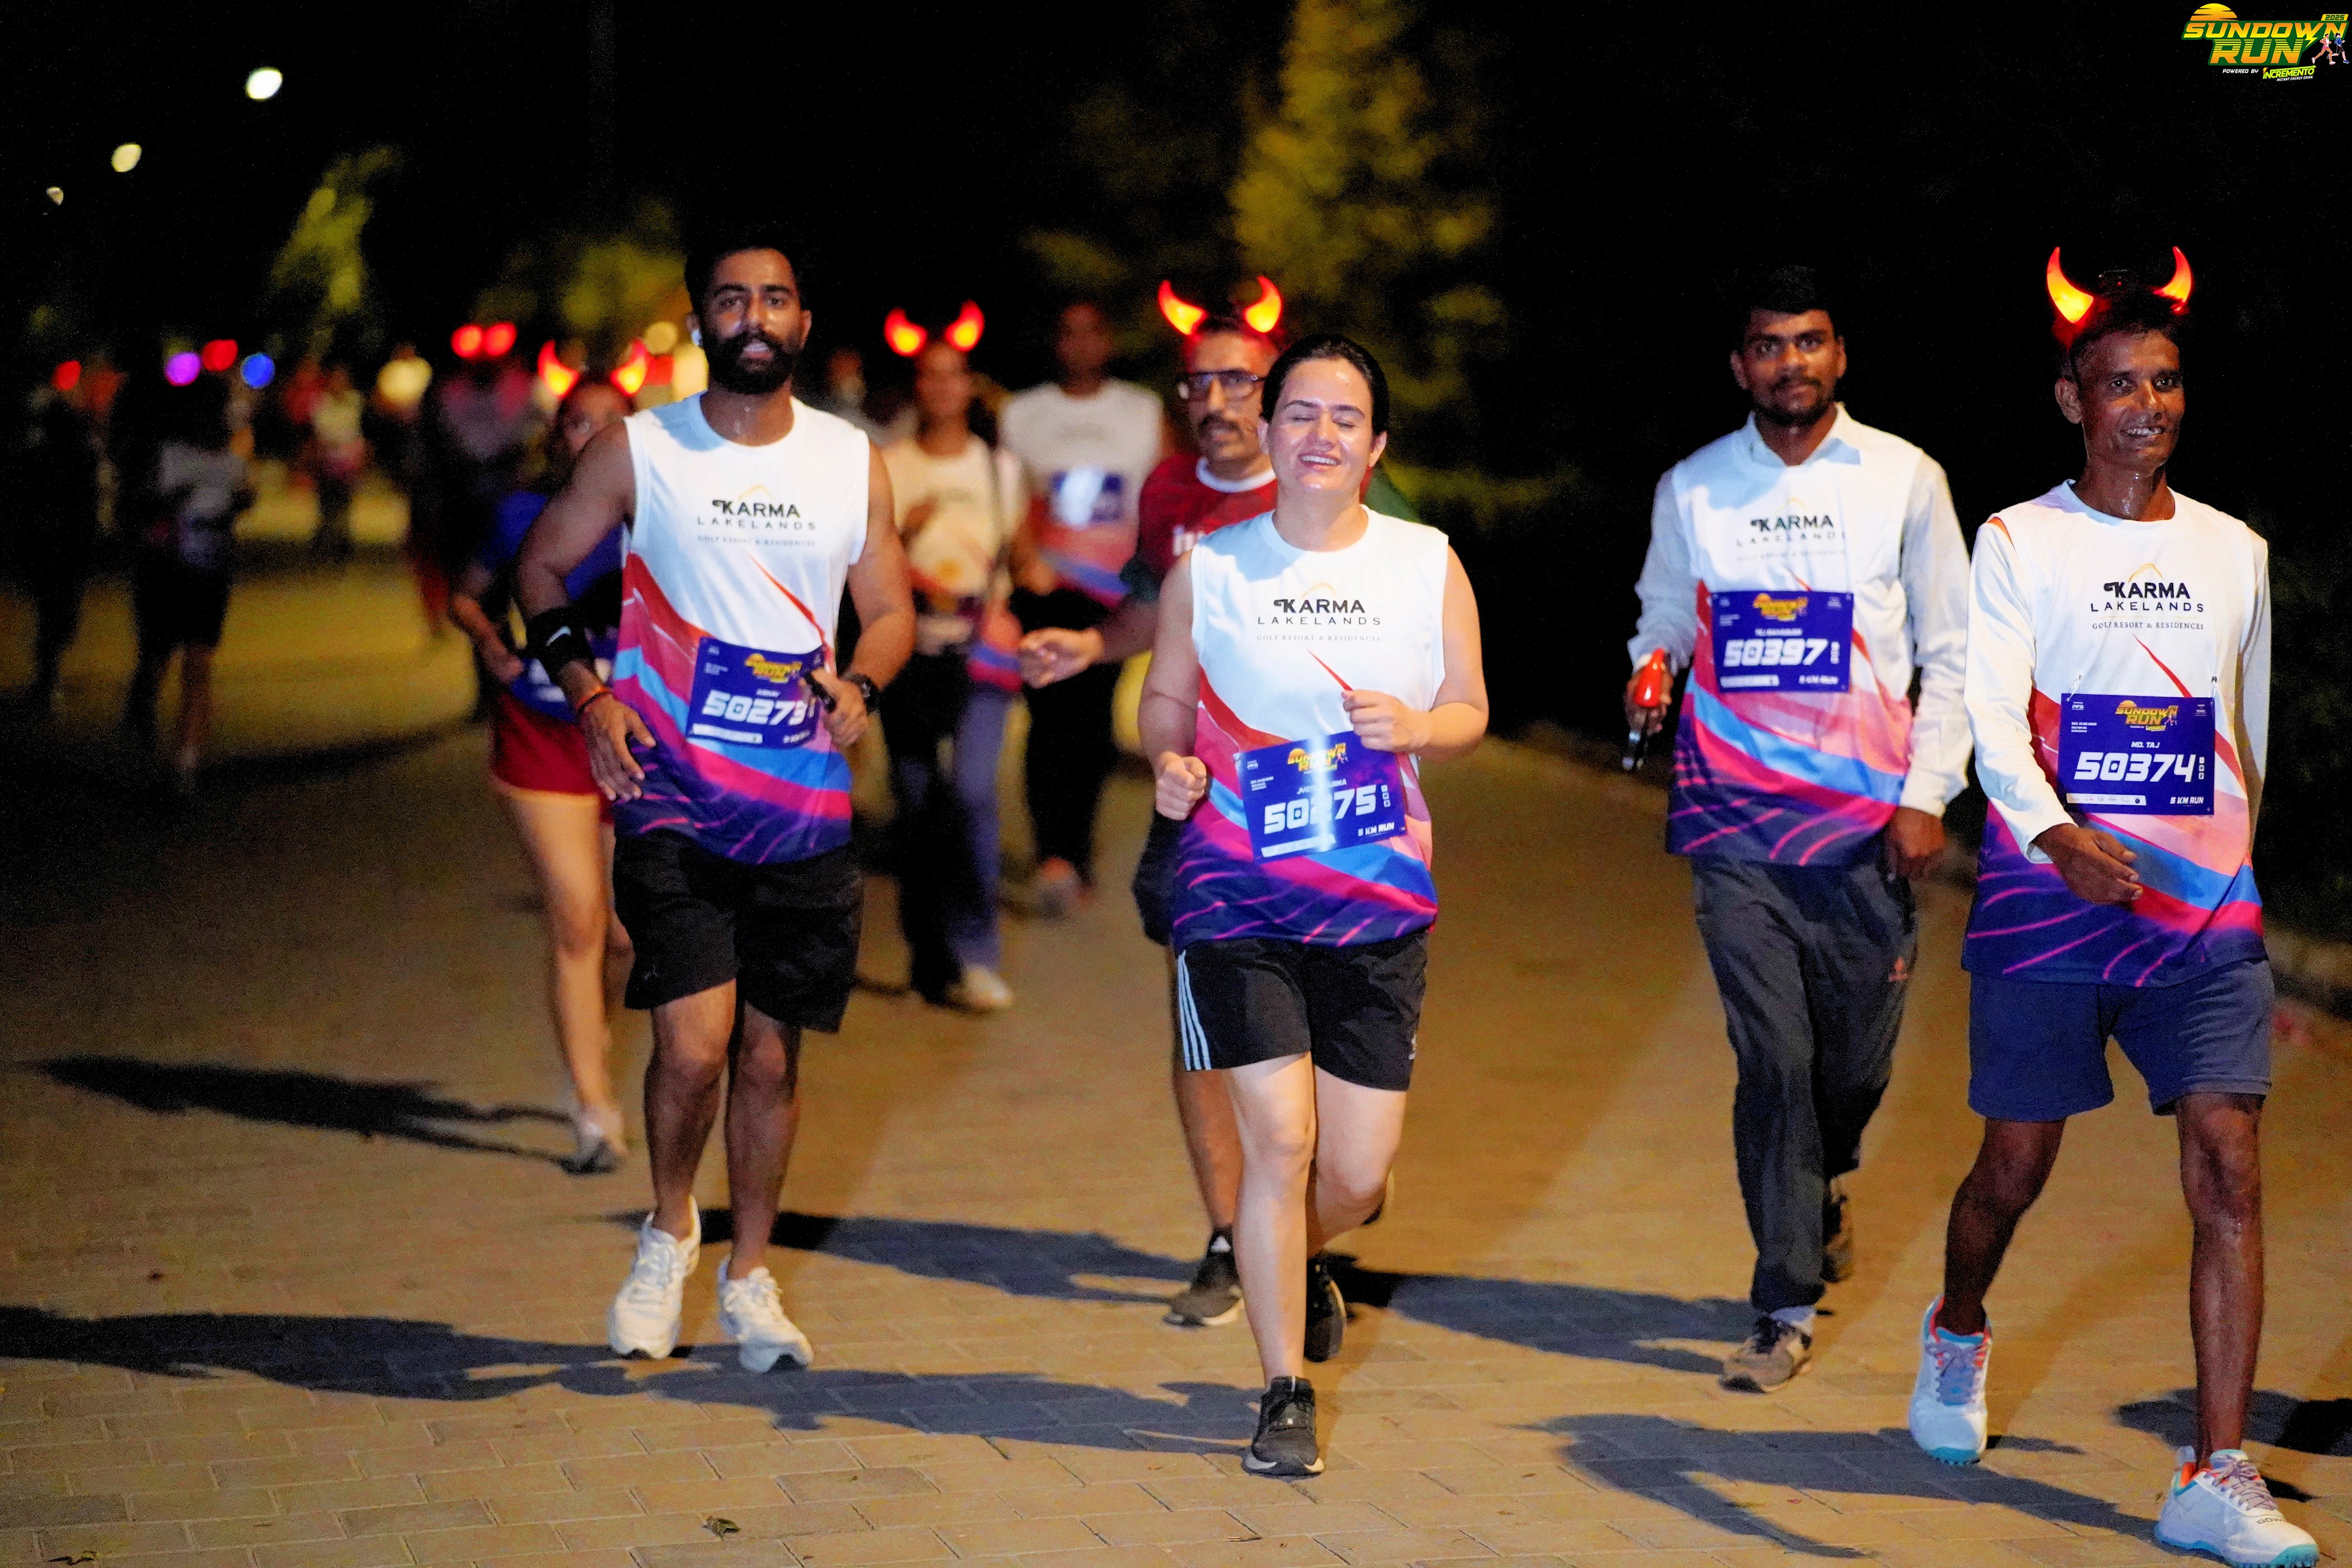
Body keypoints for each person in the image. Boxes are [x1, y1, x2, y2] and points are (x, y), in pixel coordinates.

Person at [1907, 253, 2316, 1568]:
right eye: (2122, 384)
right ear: (2071, 400)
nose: (2150, 405)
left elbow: (2246, 730)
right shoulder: (2020, 541)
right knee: (2014, 1167)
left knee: (2228, 1161)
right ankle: (1958, 1326)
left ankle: (2215, 1471)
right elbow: (1992, 714)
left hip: (2201, 912)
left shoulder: (2234, 551)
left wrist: (2235, 874)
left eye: (2167, 382)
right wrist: (2053, 835)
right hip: (2051, 901)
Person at [516, 220, 914, 1374]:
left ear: (803, 321)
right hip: (673, 791)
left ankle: (749, 1277)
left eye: (774, 299)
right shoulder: (643, 450)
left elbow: (891, 609)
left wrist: (863, 685)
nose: (754, 317)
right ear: (702, 321)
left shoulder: (848, 460)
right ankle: (667, 1234)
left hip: (801, 805)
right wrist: (591, 695)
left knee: (773, 1059)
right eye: (732, 299)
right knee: (692, 1047)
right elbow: (540, 568)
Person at [1141, 334, 1486, 1477]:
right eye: (1300, 411)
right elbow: (1167, 696)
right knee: (1279, 1141)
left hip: (1377, 903)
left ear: (1376, 444)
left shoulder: (1425, 561)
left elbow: (1472, 704)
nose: (1320, 434)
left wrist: (1421, 725)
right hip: (1234, 892)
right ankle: (1284, 1387)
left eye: (1345, 417)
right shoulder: (1211, 568)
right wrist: (1169, 762)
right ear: (1268, 426)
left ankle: (1298, 1255)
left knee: (1355, 1175)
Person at [1626, 265, 1971, 1392]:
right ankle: (1781, 1301)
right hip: (1734, 820)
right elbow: (1667, 611)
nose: (1791, 362)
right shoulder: (1694, 487)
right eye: (1769, 345)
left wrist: (1928, 792)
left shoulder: (1906, 478)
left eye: (1809, 341)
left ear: (1839, 355)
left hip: (1867, 829)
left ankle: (1823, 1184)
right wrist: (1653, 662)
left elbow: (1953, 648)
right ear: (1742, 366)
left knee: (1853, 1067)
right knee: (1774, 1056)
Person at [1020, 310, 1282, 1327]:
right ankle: (1228, 1235)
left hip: (1308, 796)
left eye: (1237, 381)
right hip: (1196, 791)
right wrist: (1091, 648)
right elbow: (1145, 609)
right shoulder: (1170, 491)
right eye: (1198, 383)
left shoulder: (1318, 483)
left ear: (1275, 390)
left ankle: (1325, 1193)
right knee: (1200, 1014)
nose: (1215, 401)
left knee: (1320, 1015)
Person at [449, 379, 636, 1173]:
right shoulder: (523, 514)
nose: (595, 434)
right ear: (558, 437)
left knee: (626, 934)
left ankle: (588, 1036)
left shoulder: (662, 518)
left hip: (631, 740)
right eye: (580, 421)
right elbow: (466, 597)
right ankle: (593, 1109)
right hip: (543, 731)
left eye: (613, 422)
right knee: (577, 917)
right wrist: (492, 641)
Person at [999, 300, 1168, 915]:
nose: (1080, 345)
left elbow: (1163, 496)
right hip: (1047, 590)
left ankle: (1079, 849)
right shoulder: (1023, 413)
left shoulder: (1142, 412)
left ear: (1109, 341)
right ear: (1055, 342)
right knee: (1048, 718)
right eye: (1068, 333)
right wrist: (1024, 560)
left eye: (1092, 333)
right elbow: (1008, 497)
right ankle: (1053, 853)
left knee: (1093, 725)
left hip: (1115, 595)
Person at [880, 338, 1024, 1011]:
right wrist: (903, 539)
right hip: (908, 653)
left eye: (953, 375)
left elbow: (1024, 556)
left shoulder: (999, 469)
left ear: (970, 386)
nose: (942, 387)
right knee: (915, 804)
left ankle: (976, 955)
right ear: (916, 386)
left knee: (970, 793)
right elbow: (864, 561)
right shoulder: (889, 466)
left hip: (981, 653)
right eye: (929, 376)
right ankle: (926, 958)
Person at [125, 374, 253, 792]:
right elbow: (143, 505)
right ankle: (143, 708)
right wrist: (172, 501)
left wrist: (239, 500)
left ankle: (187, 761)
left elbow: (240, 501)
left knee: (198, 661)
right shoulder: (169, 455)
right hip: (167, 567)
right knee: (159, 653)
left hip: (210, 567)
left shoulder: (232, 461)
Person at [18, 392, 102, 712]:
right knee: (57, 614)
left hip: (55, 546)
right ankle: (46, 680)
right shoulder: (74, 458)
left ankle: (46, 679)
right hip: (63, 547)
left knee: (53, 614)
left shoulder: (44, 458)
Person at [307, 365, 368, 562]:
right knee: (326, 503)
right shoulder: (321, 403)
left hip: (347, 462)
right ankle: (324, 540)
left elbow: (356, 431)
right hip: (326, 460)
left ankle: (342, 542)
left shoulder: (355, 403)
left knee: (344, 502)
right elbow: (320, 431)